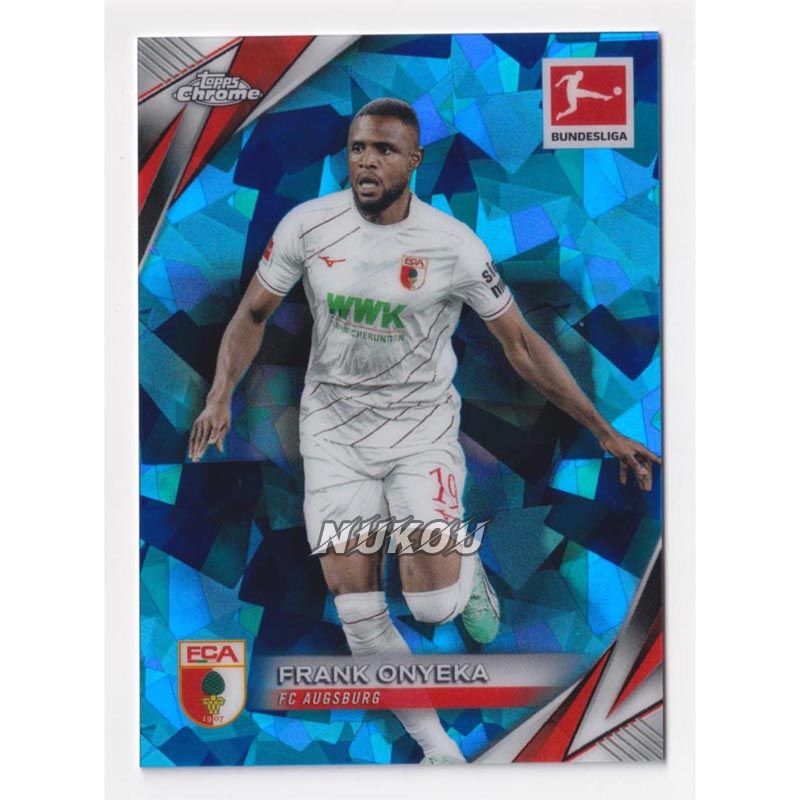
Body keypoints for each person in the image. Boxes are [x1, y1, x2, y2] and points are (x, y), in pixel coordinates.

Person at [188, 97, 660, 764]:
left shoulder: (453, 245)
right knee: (358, 611)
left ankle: (464, 575)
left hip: (419, 436)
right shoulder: (307, 226)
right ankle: (439, 752)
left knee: (434, 607)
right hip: (333, 439)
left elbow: (522, 345)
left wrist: (603, 429)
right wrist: (220, 396)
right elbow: (253, 314)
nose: (366, 162)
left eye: (383, 150)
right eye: (357, 148)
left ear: (413, 160)